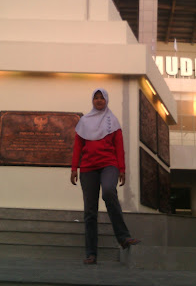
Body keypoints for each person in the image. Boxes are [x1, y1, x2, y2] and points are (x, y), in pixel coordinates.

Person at [71, 88, 141, 265]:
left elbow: (119, 147)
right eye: (96, 97)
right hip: (87, 168)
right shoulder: (84, 122)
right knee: (90, 211)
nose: (99, 100)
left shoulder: (113, 121)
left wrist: (122, 169)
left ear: (107, 100)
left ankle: (124, 237)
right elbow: (78, 147)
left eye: (102, 98)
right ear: (92, 100)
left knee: (109, 191)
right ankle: (91, 253)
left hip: (109, 164)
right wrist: (74, 168)